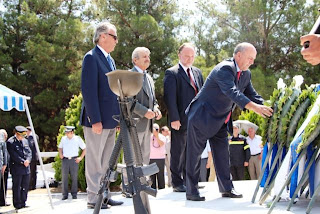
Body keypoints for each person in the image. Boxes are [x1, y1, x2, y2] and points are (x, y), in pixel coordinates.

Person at [185, 42, 273, 201]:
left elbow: (252, 95)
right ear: (238, 55)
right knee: (194, 155)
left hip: (220, 120)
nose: (252, 62)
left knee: (223, 155)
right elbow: (231, 92)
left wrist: (267, 106)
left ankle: (227, 188)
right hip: (202, 117)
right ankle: (191, 191)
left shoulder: (246, 74)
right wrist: (255, 108)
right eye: (249, 58)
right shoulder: (224, 69)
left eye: (254, 59)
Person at [80, 21, 123, 209]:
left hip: (110, 120)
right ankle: (93, 199)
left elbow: (113, 92)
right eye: (114, 36)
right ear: (102, 36)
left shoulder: (110, 60)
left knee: (107, 162)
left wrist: (118, 118)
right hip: (96, 121)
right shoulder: (91, 57)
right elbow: (89, 91)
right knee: (95, 161)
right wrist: (95, 119)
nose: (116, 41)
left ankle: (104, 195)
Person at [163, 43, 204, 193]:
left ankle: (191, 181)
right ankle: (177, 182)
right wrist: (174, 118)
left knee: (193, 151)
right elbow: (170, 98)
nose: (189, 59)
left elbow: (202, 95)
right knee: (178, 151)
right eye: (186, 56)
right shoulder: (172, 73)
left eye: (192, 56)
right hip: (180, 119)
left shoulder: (198, 72)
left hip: (197, 119)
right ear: (179, 55)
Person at [130, 47, 162, 165]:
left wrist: (156, 109)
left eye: (148, 57)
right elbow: (127, 100)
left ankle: (143, 183)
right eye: (144, 57)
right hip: (134, 125)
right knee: (132, 159)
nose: (147, 59)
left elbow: (153, 100)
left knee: (144, 159)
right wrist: (144, 111)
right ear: (135, 60)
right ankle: (129, 184)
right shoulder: (129, 76)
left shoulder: (148, 77)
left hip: (148, 126)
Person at [7, 126, 32, 209]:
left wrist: (28, 160)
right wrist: (22, 161)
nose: (23, 137)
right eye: (22, 135)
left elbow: (29, 152)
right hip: (17, 168)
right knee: (17, 186)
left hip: (26, 167)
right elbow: (14, 155)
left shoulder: (25, 140)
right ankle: (17, 203)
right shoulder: (11, 142)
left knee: (25, 186)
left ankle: (23, 202)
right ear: (17, 134)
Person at [58, 126, 86, 200]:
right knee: (64, 177)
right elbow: (60, 147)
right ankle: (65, 194)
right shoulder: (63, 139)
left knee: (74, 177)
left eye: (68, 132)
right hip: (65, 160)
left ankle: (74, 194)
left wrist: (80, 158)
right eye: (66, 132)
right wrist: (60, 154)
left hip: (74, 160)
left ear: (72, 132)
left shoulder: (77, 139)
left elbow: (84, 148)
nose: (67, 134)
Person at [149, 123, 166, 190]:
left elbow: (161, 144)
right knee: (152, 177)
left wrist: (157, 136)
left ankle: (162, 188)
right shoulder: (149, 136)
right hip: (151, 158)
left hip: (160, 158)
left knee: (160, 175)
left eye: (156, 129)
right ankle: (152, 189)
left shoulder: (161, 136)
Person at [26, 126, 39, 190]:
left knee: (31, 172)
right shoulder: (35, 136)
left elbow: (30, 146)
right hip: (34, 157)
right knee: (33, 172)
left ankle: (30, 185)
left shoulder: (31, 137)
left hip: (32, 157)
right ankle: (33, 185)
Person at [0, 129, 9, 207]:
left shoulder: (5, 143)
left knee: (3, 185)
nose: (5, 136)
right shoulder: (2, 143)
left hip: (4, 167)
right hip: (2, 166)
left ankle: (3, 200)